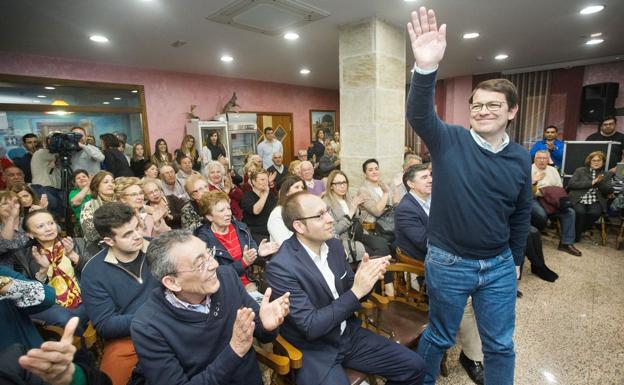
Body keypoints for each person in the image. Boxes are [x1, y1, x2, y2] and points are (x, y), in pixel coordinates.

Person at [406, 7, 531, 384]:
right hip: (448, 262)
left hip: (497, 265)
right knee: (441, 335)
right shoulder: (451, 140)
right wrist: (426, 67)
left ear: (511, 111)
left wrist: (515, 260)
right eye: (476, 104)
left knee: (501, 345)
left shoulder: (520, 156)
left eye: (493, 105)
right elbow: (420, 115)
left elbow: (521, 213)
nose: (482, 110)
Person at [265, 192, 425, 385]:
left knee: (415, 367)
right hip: (315, 349)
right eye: (319, 216)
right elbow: (311, 326)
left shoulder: (333, 246)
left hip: (348, 334)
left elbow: (352, 292)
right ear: (299, 226)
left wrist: (368, 279)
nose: (330, 219)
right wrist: (357, 291)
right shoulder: (281, 267)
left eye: (328, 211)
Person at [129, 230, 290, 385]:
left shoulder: (226, 278)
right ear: (172, 282)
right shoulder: (148, 326)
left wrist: (268, 326)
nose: (214, 264)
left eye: (209, 253)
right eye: (200, 264)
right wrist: (234, 351)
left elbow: (261, 333)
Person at [81, 202, 158, 385]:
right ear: (109, 241)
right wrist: (153, 316)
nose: (138, 235)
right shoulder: (93, 271)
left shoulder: (157, 248)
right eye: (128, 234)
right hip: (130, 338)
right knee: (111, 378)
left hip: (175, 323)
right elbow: (105, 324)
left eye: (137, 227)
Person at [16, 210, 91, 333]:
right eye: (40, 226)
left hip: (81, 296)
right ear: (30, 234)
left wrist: (73, 255)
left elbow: (96, 271)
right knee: (67, 319)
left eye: (51, 223)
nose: (48, 229)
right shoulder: (22, 256)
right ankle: (82, 349)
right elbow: (26, 293)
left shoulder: (77, 243)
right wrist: (43, 271)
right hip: (49, 304)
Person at [195, 191, 279, 293]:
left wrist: (259, 253)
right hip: (226, 289)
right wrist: (243, 263)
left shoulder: (241, 228)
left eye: (228, 208)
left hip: (252, 281)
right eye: (221, 210)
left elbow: (252, 257)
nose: (228, 213)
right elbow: (216, 273)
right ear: (209, 217)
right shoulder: (203, 241)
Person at [531, 150, 582, 256]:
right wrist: (534, 183)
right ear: (534, 159)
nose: (541, 160)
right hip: (534, 198)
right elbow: (524, 190)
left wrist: (546, 192)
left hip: (551, 197)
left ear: (548, 160)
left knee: (569, 212)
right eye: (539, 158)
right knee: (541, 215)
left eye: (544, 158)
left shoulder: (553, 170)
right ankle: (533, 237)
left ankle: (566, 244)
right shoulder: (528, 169)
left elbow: (559, 188)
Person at [567, 151, 614, 241]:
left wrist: (599, 182)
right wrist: (592, 182)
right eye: (594, 160)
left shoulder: (606, 174)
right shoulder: (580, 170)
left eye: (599, 160)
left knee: (594, 213)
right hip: (579, 198)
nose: (596, 162)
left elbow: (609, 190)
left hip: (595, 199)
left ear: (603, 162)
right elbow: (571, 184)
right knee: (580, 212)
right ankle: (576, 237)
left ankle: (580, 231)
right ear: (589, 161)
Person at [240, 169, 278, 244]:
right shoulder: (247, 196)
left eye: (266, 180)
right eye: (262, 179)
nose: (265, 182)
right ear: (253, 181)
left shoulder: (271, 195)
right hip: (255, 233)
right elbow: (256, 211)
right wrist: (265, 193)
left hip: (272, 230)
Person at [267, 175, 306, 244]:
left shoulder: (304, 210)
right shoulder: (277, 214)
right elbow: (284, 243)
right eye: (296, 187)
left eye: (302, 187)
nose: (301, 190)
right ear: (286, 192)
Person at [80, 171, 115, 244]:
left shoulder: (120, 203)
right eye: (106, 182)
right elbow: (91, 234)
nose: (111, 184)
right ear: (96, 186)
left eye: (113, 182)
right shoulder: (89, 206)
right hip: (97, 246)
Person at [357, 159, 392, 229]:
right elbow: (377, 212)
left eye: (376, 169)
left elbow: (392, 205)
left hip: (389, 225)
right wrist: (385, 193)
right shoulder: (363, 190)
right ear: (365, 174)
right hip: (372, 228)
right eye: (370, 170)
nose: (374, 172)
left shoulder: (384, 185)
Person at [0, 190, 30, 257]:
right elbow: (3, 247)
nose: (12, 205)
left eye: (15, 202)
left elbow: (57, 229)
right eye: (5, 203)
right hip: (9, 265)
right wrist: (12, 217)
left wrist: (42, 211)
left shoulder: (29, 220)